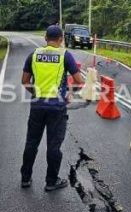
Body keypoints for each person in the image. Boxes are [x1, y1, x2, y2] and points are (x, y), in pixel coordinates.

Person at [20, 24, 84, 191]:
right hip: (57, 107)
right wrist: (69, 94)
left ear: (45, 39)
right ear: (61, 40)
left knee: (31, 142)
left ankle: (25, 178)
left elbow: (25, 81)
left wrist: (35, 93)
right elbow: (79, 81)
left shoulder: (33, 55)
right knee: (54, 146)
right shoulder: (65, 55)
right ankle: (51, 181)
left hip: (37, 106)